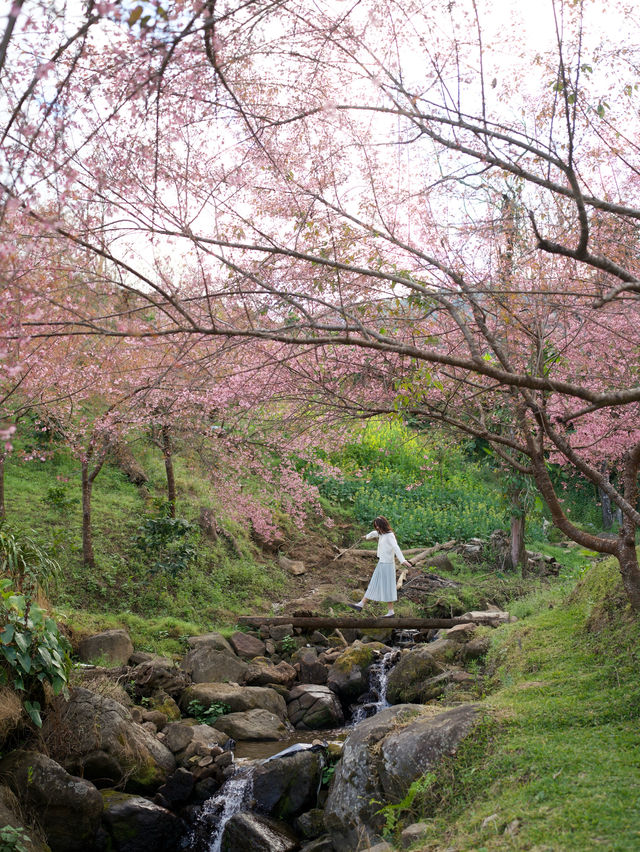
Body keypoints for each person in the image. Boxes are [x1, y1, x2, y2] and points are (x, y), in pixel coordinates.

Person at [347, 516, 412, 618]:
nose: (377, 528)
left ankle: (367, 606)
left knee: (386, 586)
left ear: (383, 525)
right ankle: (363, 605)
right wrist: (366, 537)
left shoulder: (389, 535)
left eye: (378, 526)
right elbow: (373, 533)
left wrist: (403, 560)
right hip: (382, 563)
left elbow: (396, 547)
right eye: (376, 526)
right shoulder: (381, 533)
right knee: (376, 584)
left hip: (387, 565)